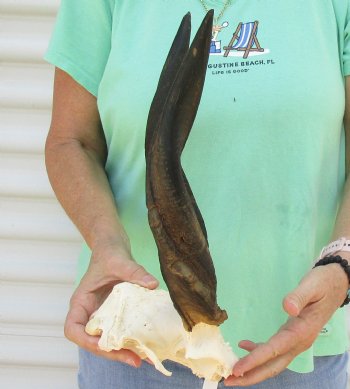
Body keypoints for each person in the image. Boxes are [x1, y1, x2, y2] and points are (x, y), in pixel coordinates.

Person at [44, 1, 350, 388]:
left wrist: (342, 261)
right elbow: (72, 141)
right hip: (136, 344)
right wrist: (106, 245)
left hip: (298, 346)